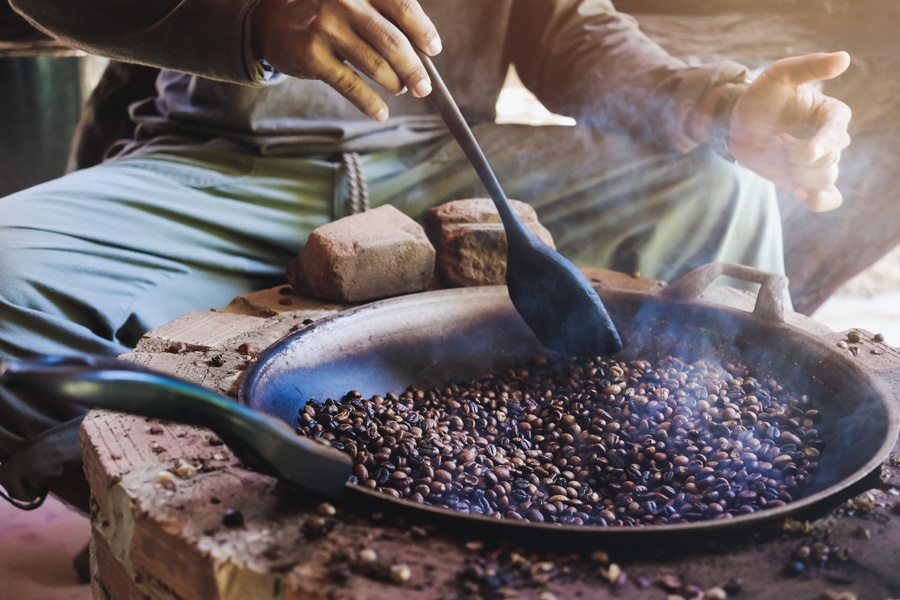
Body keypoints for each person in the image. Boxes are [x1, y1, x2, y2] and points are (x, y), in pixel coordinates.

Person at [0, 0, 850, 511]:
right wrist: (252, 16)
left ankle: (690, 460)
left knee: (721, 182)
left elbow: (571, 35)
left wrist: (720, 105)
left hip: (448, 159)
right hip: (223, 161)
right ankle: (126, 507)